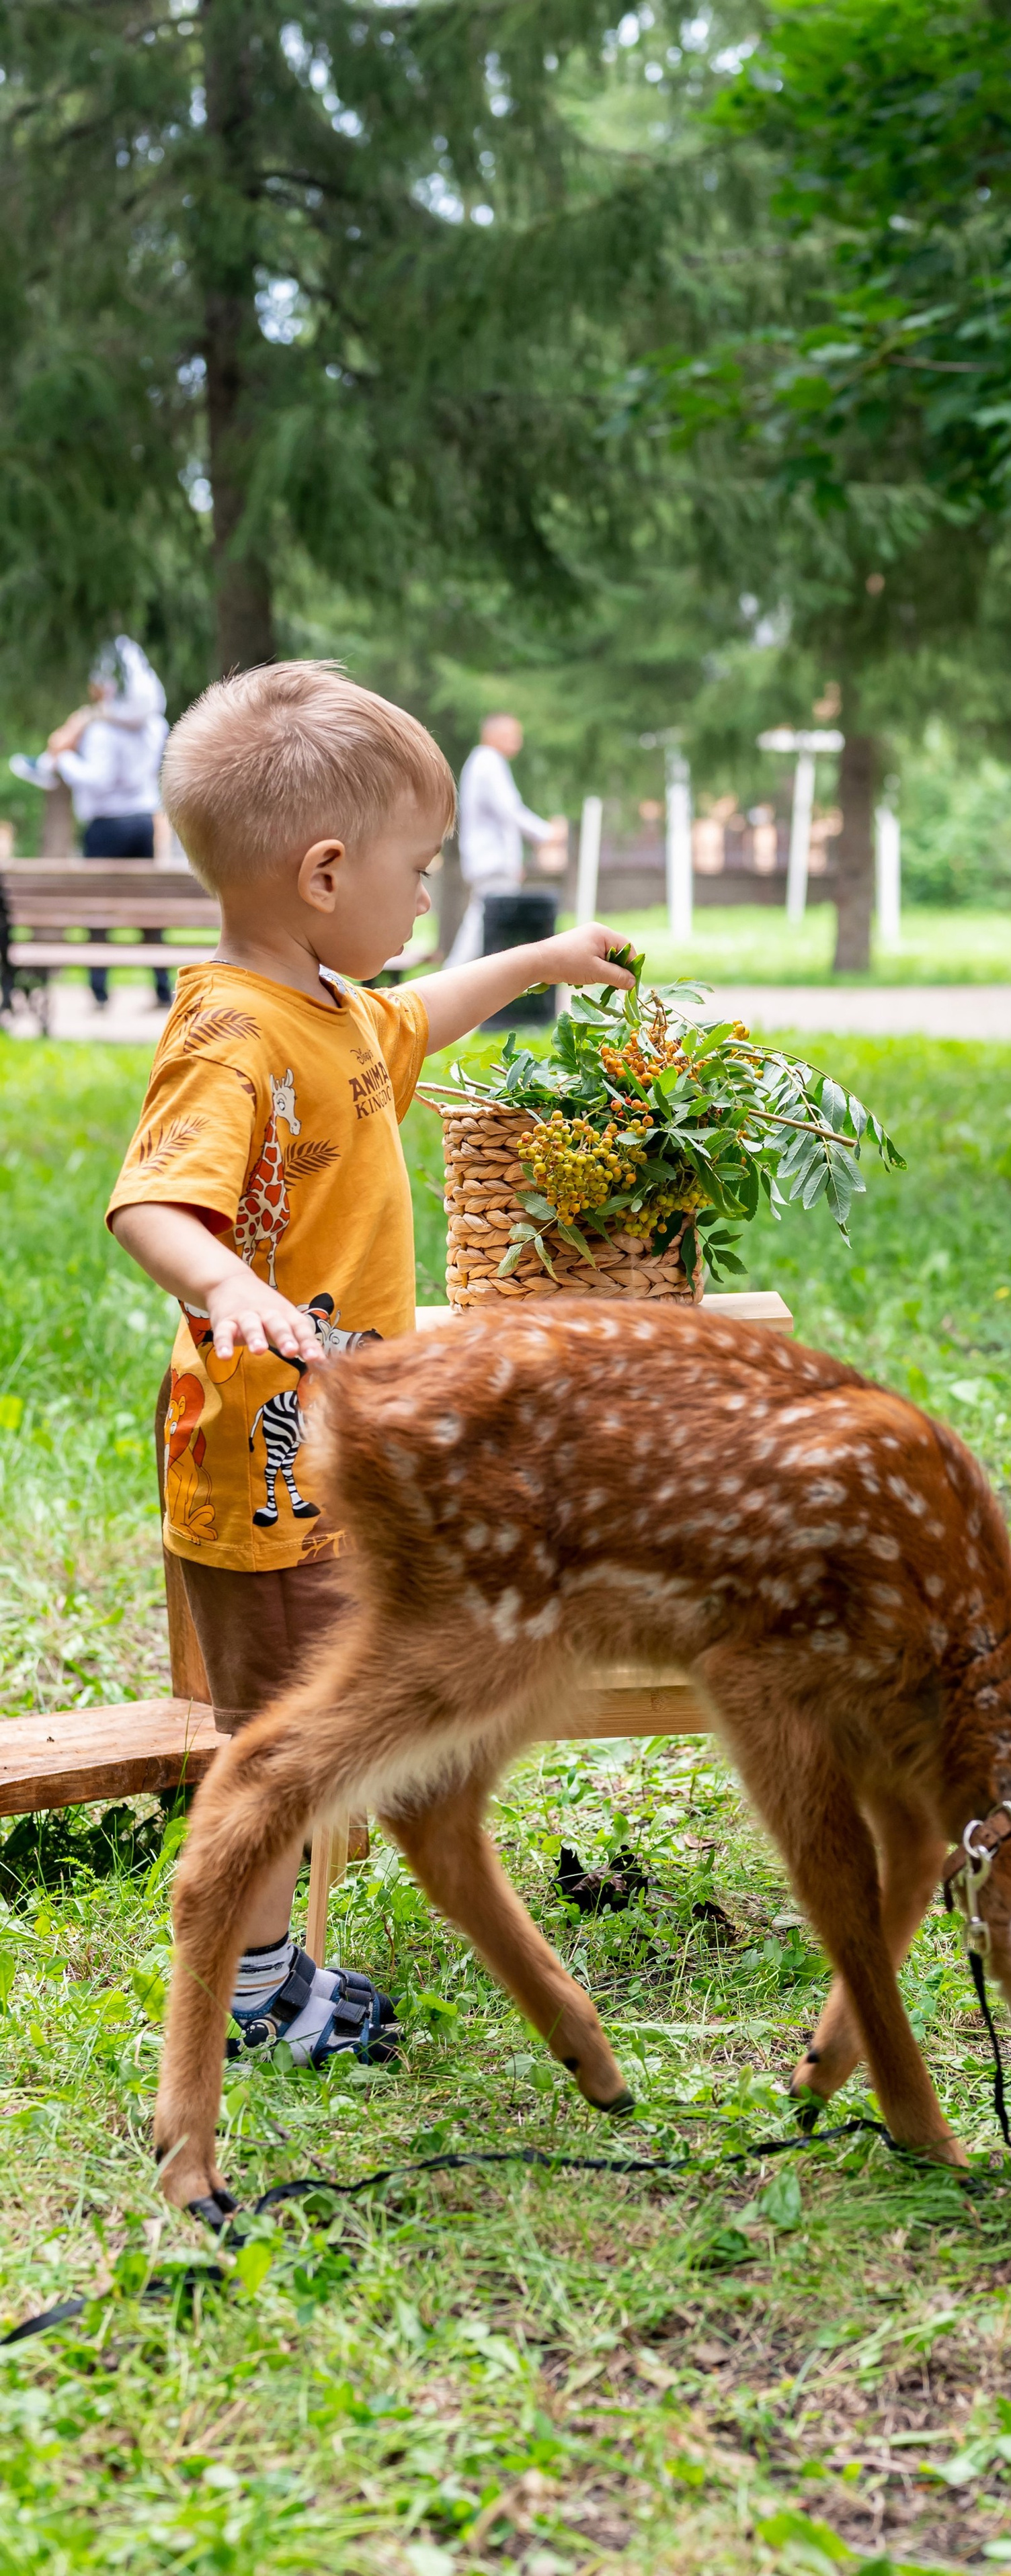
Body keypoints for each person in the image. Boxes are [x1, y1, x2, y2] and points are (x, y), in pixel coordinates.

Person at [107, 660, 631, 2073]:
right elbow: (153, 1199)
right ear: (326, 871)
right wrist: (226, 1286)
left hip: (345, 1460)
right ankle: (261, 1987)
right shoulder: (231, 1033)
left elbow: (421, 1015)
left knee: (331, 1709)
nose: (426, 896)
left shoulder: (334, 1007)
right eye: (421, 870)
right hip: (259, 1465)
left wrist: (533, 962)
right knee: (276, 1735)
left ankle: (280, 1963)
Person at [46, 638, 173, 1007]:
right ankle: (161, 986)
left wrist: (61, 762)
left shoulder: (102, 731)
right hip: (143, 821)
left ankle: (99, 989)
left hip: (105, 826)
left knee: (97, 907)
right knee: (149, 909)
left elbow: (97, 780)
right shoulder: (154, 726)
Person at [445, 712, 567, 968]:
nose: (518, 742)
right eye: (512, 735)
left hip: (493, 861)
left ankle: (464, 980)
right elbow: (509, 810)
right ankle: (453, 978)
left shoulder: (483, 762)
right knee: (485, 923)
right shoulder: (488, 761)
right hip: (491, 860)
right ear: (493, 734)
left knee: (485, 922)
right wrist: (547, 834)